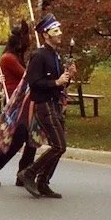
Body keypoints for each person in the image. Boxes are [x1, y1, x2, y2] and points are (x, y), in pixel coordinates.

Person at [19, 14, 74, 199]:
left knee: (58, 146)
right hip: (44, 105)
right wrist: (56, 82)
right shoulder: (39, 55)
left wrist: (68, 77)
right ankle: (30, 173)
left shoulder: (55, 55)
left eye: (59, 29)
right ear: (45, 35)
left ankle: (43, 182)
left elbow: (60, 84)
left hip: (55, 104)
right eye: (55, 30)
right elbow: (34, 83)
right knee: (59, 146)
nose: (60, 33)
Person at [0, 21, 37, 186]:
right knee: (20, 139)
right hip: (17, 104)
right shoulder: (9, 58)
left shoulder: (16, 58)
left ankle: (23, 173)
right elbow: (27, 76)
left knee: (30, 139)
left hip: (26, 102)